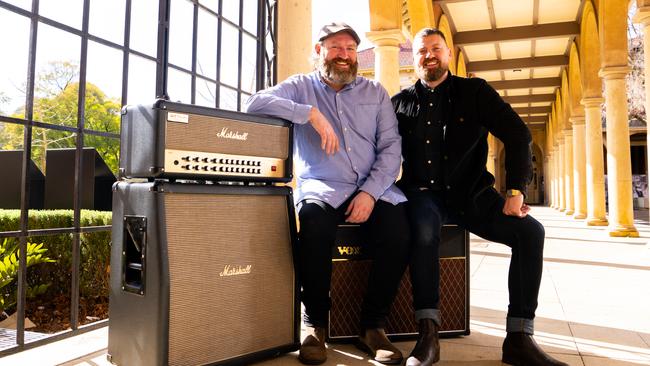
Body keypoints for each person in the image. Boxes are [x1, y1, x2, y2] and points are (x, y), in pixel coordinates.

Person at [391, 27, 568, 366]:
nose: (429, 55)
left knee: (531, 233)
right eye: (421, 50)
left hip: (472, 194)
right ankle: (428, 336)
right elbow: (380, 151)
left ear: (449, 52)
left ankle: (518, 338)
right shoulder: (399, 104)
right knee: (425, 231)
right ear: (413, 59)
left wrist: (515, 190)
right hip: (423, 195)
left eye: (435, 48)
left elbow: (518, 134)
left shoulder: (475, 92)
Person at [245, 22, 410, 365]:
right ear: (319, 51)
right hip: (323, 185)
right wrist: (309, 114)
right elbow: (254, 104)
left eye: (350, 49)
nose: (345, 55)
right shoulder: (301, 87)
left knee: (398, 229)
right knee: (314, 224)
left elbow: (392, 148)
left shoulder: (375, 92)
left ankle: (373, 326)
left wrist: (369, 192)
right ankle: (315, 324)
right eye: (336, 47)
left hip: (372, 185)